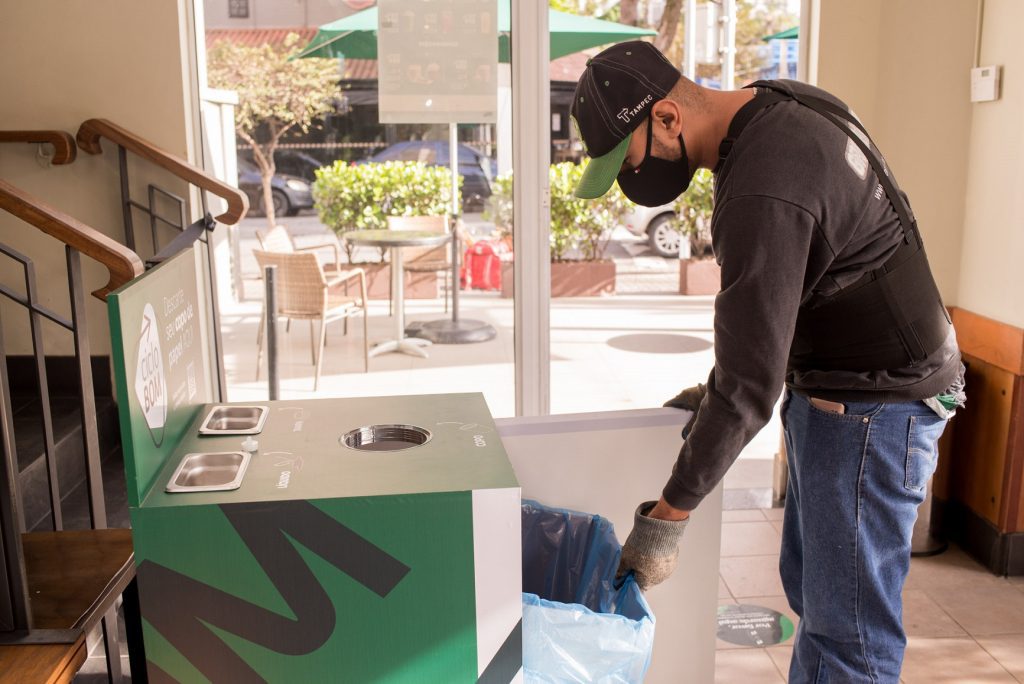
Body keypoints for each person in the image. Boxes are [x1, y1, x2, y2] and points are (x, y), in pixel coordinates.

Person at [571, 41, 965, 683]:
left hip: (873, 409)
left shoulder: (762, 182)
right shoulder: (778, 107)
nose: (629, 180)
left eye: (628, 159)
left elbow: (751, 386)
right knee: (821, 605)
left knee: (851, 638)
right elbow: (777, 321)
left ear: (667, 117)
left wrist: (665, 521)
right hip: (853, 393)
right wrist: (716, 389)